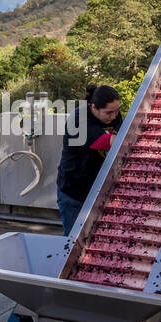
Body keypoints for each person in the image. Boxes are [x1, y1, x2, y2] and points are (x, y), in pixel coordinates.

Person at [56, 84, 123, 235]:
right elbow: (110, 142)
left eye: (117, 110)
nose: (114, 116)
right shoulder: (79, 120)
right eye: (109, 112)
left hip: (100, 192)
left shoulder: (114, 116)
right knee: (74, 241)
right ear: (94, 107)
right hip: (75, 193)